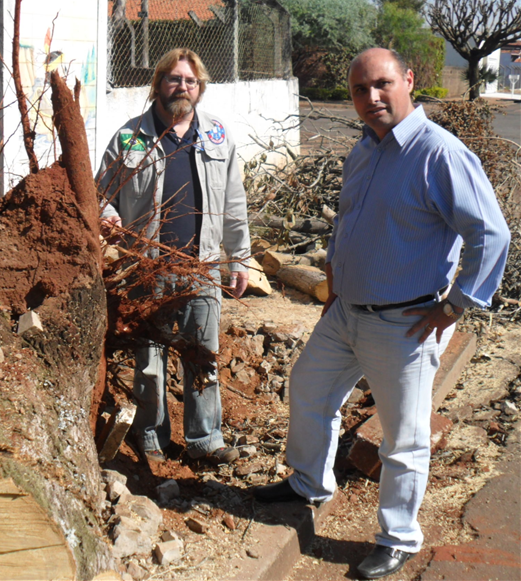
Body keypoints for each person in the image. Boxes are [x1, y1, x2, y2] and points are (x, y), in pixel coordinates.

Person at [251, 47, 510, 579]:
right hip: (345, 312)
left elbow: (491, 233)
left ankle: (398, 537)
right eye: (359, 90)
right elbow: (351, 225)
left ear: (408, 80)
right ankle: (307, 484)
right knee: (309, 389)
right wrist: (336, 288)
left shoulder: (440, 154)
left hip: (405, 323)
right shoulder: (366, 149)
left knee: (404, 437)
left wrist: (456, 304)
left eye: (382, 84)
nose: (371, 98)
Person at [96, 48, 250, 466]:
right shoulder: (128, 139)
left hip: (201, 266)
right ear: (158, 84)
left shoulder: (217, 136)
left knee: (202, 357)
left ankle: (205, 440)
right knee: (149, 362)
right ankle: (151, 437)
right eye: (174, 79)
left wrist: (239, 258)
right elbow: (99, 195)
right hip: (145, 268)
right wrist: (108, 217)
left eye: (190, 81)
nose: (182, 87)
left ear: (199, 89)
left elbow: (234, 203)